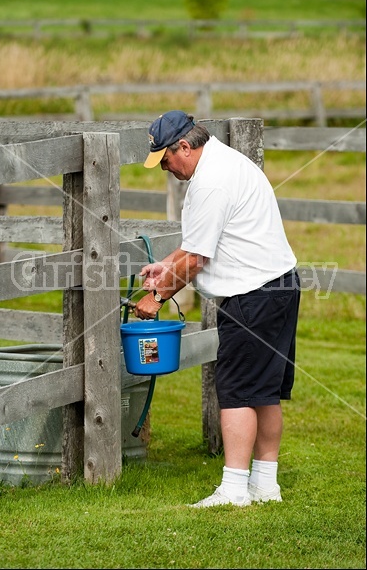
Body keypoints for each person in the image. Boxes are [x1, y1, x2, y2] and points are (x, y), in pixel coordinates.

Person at [134, 110, 301, 508]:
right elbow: (195, 245)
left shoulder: (210, 182)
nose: (166, 169)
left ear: (185, 147)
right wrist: (166, 264)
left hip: (252, 294)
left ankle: (233, 489)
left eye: (166, 159)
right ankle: (265, 485)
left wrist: (155, 298)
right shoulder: (223, 160)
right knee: (264, 392)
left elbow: (196, 261)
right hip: (279, 286)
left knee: (237, 391)